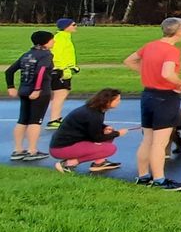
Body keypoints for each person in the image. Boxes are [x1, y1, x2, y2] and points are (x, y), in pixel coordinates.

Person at [123, 18, 181, 191]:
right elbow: (167, 73)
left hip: (148, 95)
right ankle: (160, 180)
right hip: (165, 97)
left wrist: (146, 72)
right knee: (159, 143)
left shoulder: (150, 45)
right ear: (179, 32)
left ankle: (143, 176)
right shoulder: (171, 51)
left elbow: (129, 61)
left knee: (147, 139)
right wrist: (180, 83)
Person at [49, 88, 127, 173]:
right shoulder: (94, 114)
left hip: (65, 144)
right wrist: (118, 133)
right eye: (117, 100)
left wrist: (104, 127)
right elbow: (96, 138)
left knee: (109, 133)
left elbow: (89, 126)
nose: (119, 102)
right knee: (111, 149)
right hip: (61, 149)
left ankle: (99, 163)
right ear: (107, 101)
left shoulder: (93, 109)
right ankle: (68, 164)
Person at [7, 30, 54, 162]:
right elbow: (41, 72)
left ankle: (17, 150)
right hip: (39, 92)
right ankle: (32, 150)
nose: (54, 41)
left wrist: (11, 86)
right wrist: (37, 89)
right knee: (35, 121)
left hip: (24, 90)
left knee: (23, 120)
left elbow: (9, 71)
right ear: (46, 41)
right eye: (52, 39)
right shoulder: (46, 55)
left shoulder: (27, 54)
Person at [45, 18, 80, 128]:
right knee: (60, 94)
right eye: (73, 24)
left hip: (64, 69)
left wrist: (72, 66)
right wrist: (62, 69)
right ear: (66, 26)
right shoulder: (60, 38)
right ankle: (53, 120)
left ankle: (56, 118)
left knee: (61, 94)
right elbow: (56, 55)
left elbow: (67, 55)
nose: (75, 26)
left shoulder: (65, 37)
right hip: (60, 71)